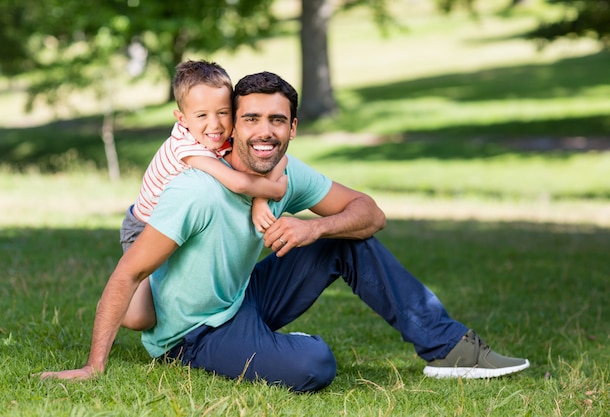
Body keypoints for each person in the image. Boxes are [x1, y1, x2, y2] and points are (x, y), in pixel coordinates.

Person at [40, 71, 530, 391]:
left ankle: (450, 348)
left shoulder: (285, 174)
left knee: (348, 236)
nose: (263, 131)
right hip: (192, 334)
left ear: (292, 127)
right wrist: (94, 365)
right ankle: (260, 346)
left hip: (242, 294)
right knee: (315, 365)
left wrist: (315, 229)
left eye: (276, 120)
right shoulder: (196, 189)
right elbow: (127, 273)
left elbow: (370, 213)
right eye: (250, 118)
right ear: (234, 127)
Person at [119, 60, 287, 330]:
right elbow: (236, 182)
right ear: (182, 119)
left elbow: (281, 158)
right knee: (140, 318)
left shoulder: (225, 135)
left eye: (223, 113)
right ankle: (120, 292)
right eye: (202, 116)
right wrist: (274, 190)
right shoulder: (184, 145)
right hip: (144, 226)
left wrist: (260, 201)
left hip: (183, 224)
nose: (215, 125)